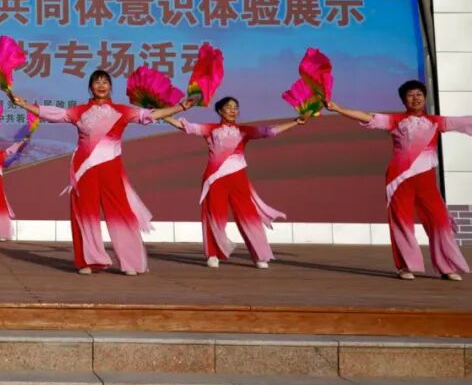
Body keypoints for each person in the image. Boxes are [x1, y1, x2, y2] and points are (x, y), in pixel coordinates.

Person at [10, 70, 191, 275]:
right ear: (90, 87)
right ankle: (88, 261)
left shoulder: (122, 111)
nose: (101, 85)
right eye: (97, 82)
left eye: (105, 82)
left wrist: (181, 107)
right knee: (85, 213)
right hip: (84, 170)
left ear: (111, 87)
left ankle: (131, 262)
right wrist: (24, 104)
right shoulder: (80, 111)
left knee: (121, 214)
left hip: (111, 168)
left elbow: (150, 115)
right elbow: (54, 114)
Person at [328, 80, 471, 281]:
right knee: (402, 221)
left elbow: (465, 121)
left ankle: (447, 267)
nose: (416, 98)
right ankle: (405, 266)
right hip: (399, 180)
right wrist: (338, 109)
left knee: (439, 221)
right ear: (404, 100)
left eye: (419, 94)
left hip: (426, 180)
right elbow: (367, 117)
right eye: (411, 95)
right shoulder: (396, 120)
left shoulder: (436, 122)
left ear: (425, 98)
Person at [164, 96, 305, 269]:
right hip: (215, 179)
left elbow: (269, 131)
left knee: (248, 215)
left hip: (238, 178)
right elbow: (184, 126)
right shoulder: (211, 129)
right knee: (215, 215)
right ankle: (213, 254)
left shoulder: (243, 131)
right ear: (220, 111)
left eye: (236, 108)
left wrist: (295, 122)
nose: (233, 110)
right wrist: (163, 115)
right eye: (229, 107)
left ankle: (259, 255)